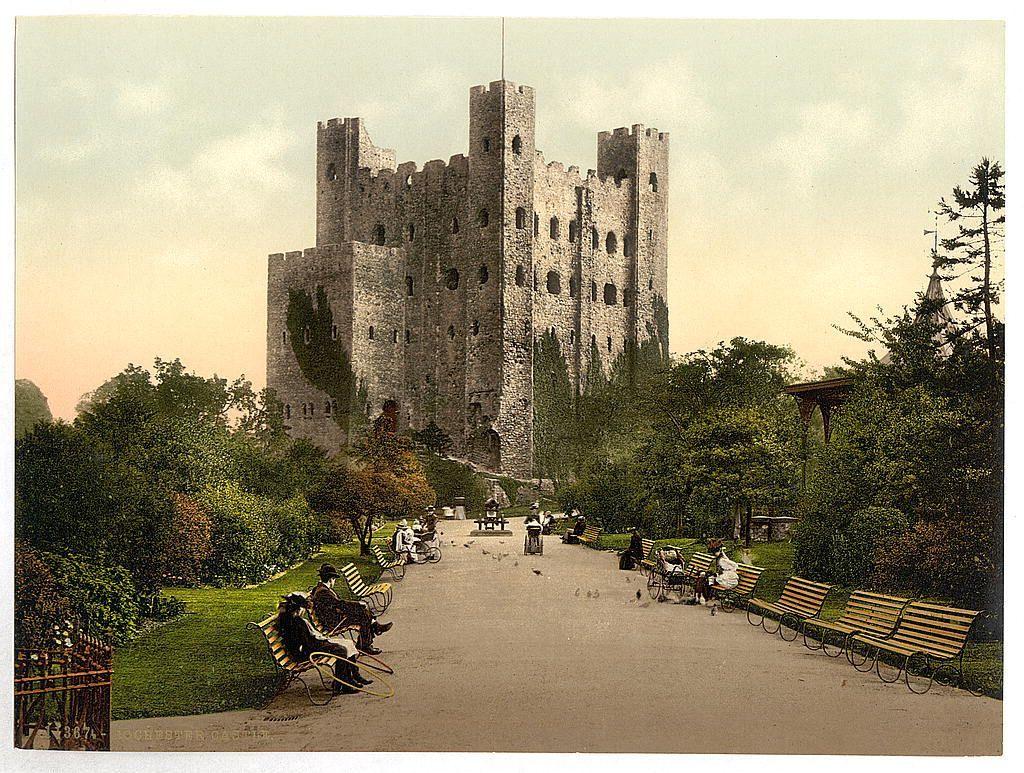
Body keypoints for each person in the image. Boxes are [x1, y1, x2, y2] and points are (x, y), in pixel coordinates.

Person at [276, 591, 370, 694]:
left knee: (346, 644)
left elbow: (308, 639)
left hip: (309, 646)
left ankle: (352, 677)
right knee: (341, 650)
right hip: (304, 653)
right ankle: (342, 684)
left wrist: (325, 641)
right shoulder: (294, 622)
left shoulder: (292, 618)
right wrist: (326, 644)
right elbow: (306, 643)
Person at [310, 563, 392, 655]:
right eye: (334, 579)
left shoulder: (321, 588)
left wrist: (357, 606)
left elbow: (338, 604)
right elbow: (340, 604)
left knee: (362, 612)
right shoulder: (323, 592)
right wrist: (358, 604)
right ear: (331, 579)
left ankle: (372, 632)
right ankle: (367, 642)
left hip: (333, 617)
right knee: (363, 616)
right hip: (332, 623)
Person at [693, 539, 740, 606]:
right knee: (705, 579)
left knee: (708, 581)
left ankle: (706, 597)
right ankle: (702, 597)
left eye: (715, 552)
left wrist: (725, 572)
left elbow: (735, 565)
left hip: (728, 579)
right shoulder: (719, 560)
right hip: (723, 577)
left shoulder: (722, 560)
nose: (714, 554)